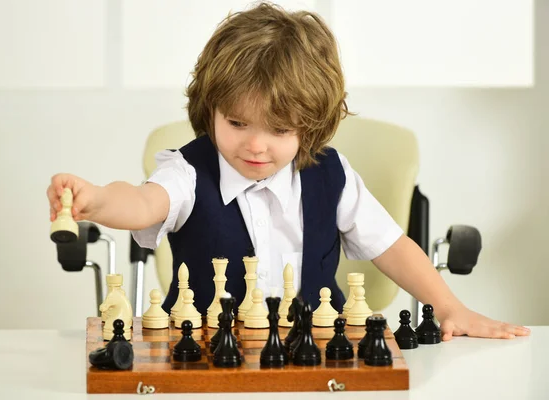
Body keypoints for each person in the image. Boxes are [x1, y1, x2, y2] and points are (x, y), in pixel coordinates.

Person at [47, 2, 529, 341]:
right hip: (209, 355)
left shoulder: (331, 175)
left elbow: (393, 246)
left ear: (311, 124)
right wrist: (95, 199)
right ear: (209, 110)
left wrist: (450, 308)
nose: (255, 144)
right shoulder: (189, 171)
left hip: (318, 350)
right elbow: (139, 201)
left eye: (278, 128)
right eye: (237, 123)